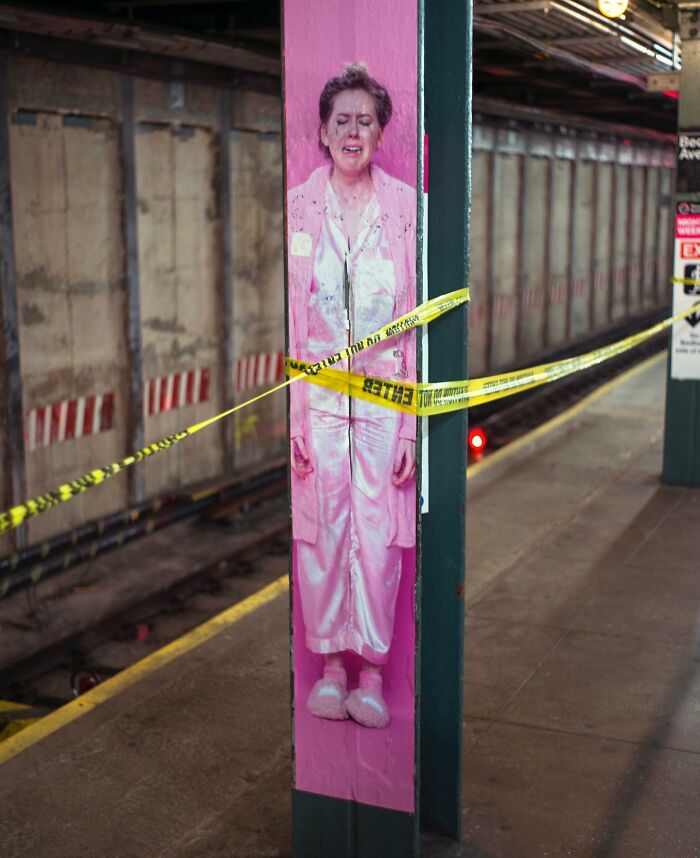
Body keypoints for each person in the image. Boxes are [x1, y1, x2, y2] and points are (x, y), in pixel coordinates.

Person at [288, 63, 416, 728]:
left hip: (383, 401)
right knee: (325, 532)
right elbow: (293, 317)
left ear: (380, 132)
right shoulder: (301, 206)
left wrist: (410, 428)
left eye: (366, 121)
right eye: (343, 120)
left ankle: (369, 672)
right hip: (319, 397)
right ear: (322, 130)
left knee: (376, 534)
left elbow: (414, 322)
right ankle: (331, 666)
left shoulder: (402, 209)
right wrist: (296, 419)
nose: (354, 131)